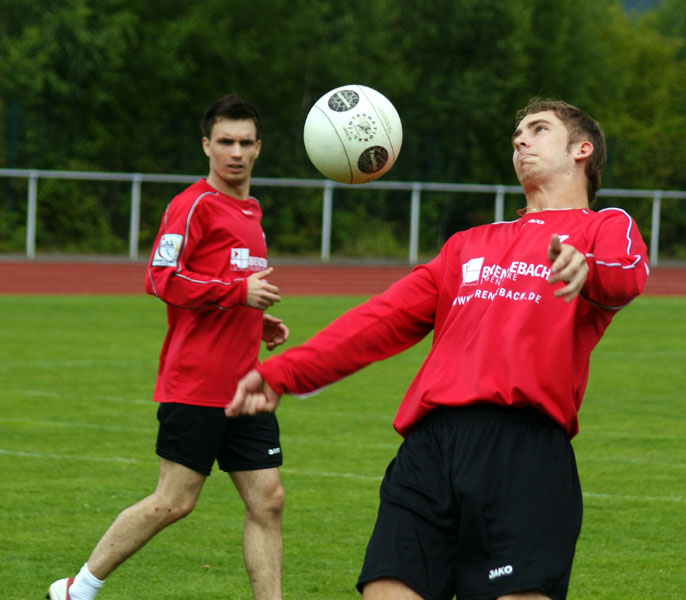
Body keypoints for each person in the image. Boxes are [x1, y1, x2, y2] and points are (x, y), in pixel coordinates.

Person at [226, 98, 650, 599]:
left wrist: (587, 268)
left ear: (583, 150)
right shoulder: (468, 244)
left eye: (538, 130)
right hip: (428, 451)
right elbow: (379, 320)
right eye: (517, 133)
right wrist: (282, 373)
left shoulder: (603, 227)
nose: (520, 140)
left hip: (523, 453)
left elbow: (628, 275)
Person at [48, 94, 290, 600]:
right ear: (206, 145)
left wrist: (256, 319)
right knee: (173, 502)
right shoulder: (192, 205)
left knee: (268, 500)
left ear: (259, 148)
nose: (236, 152)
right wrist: (236, 294)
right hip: (196, 384)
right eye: (225, 141)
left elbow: (228, 282)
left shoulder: (252, 209)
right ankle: (79, 588)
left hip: (245, 383)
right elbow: (160, 279)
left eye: (246, 142)